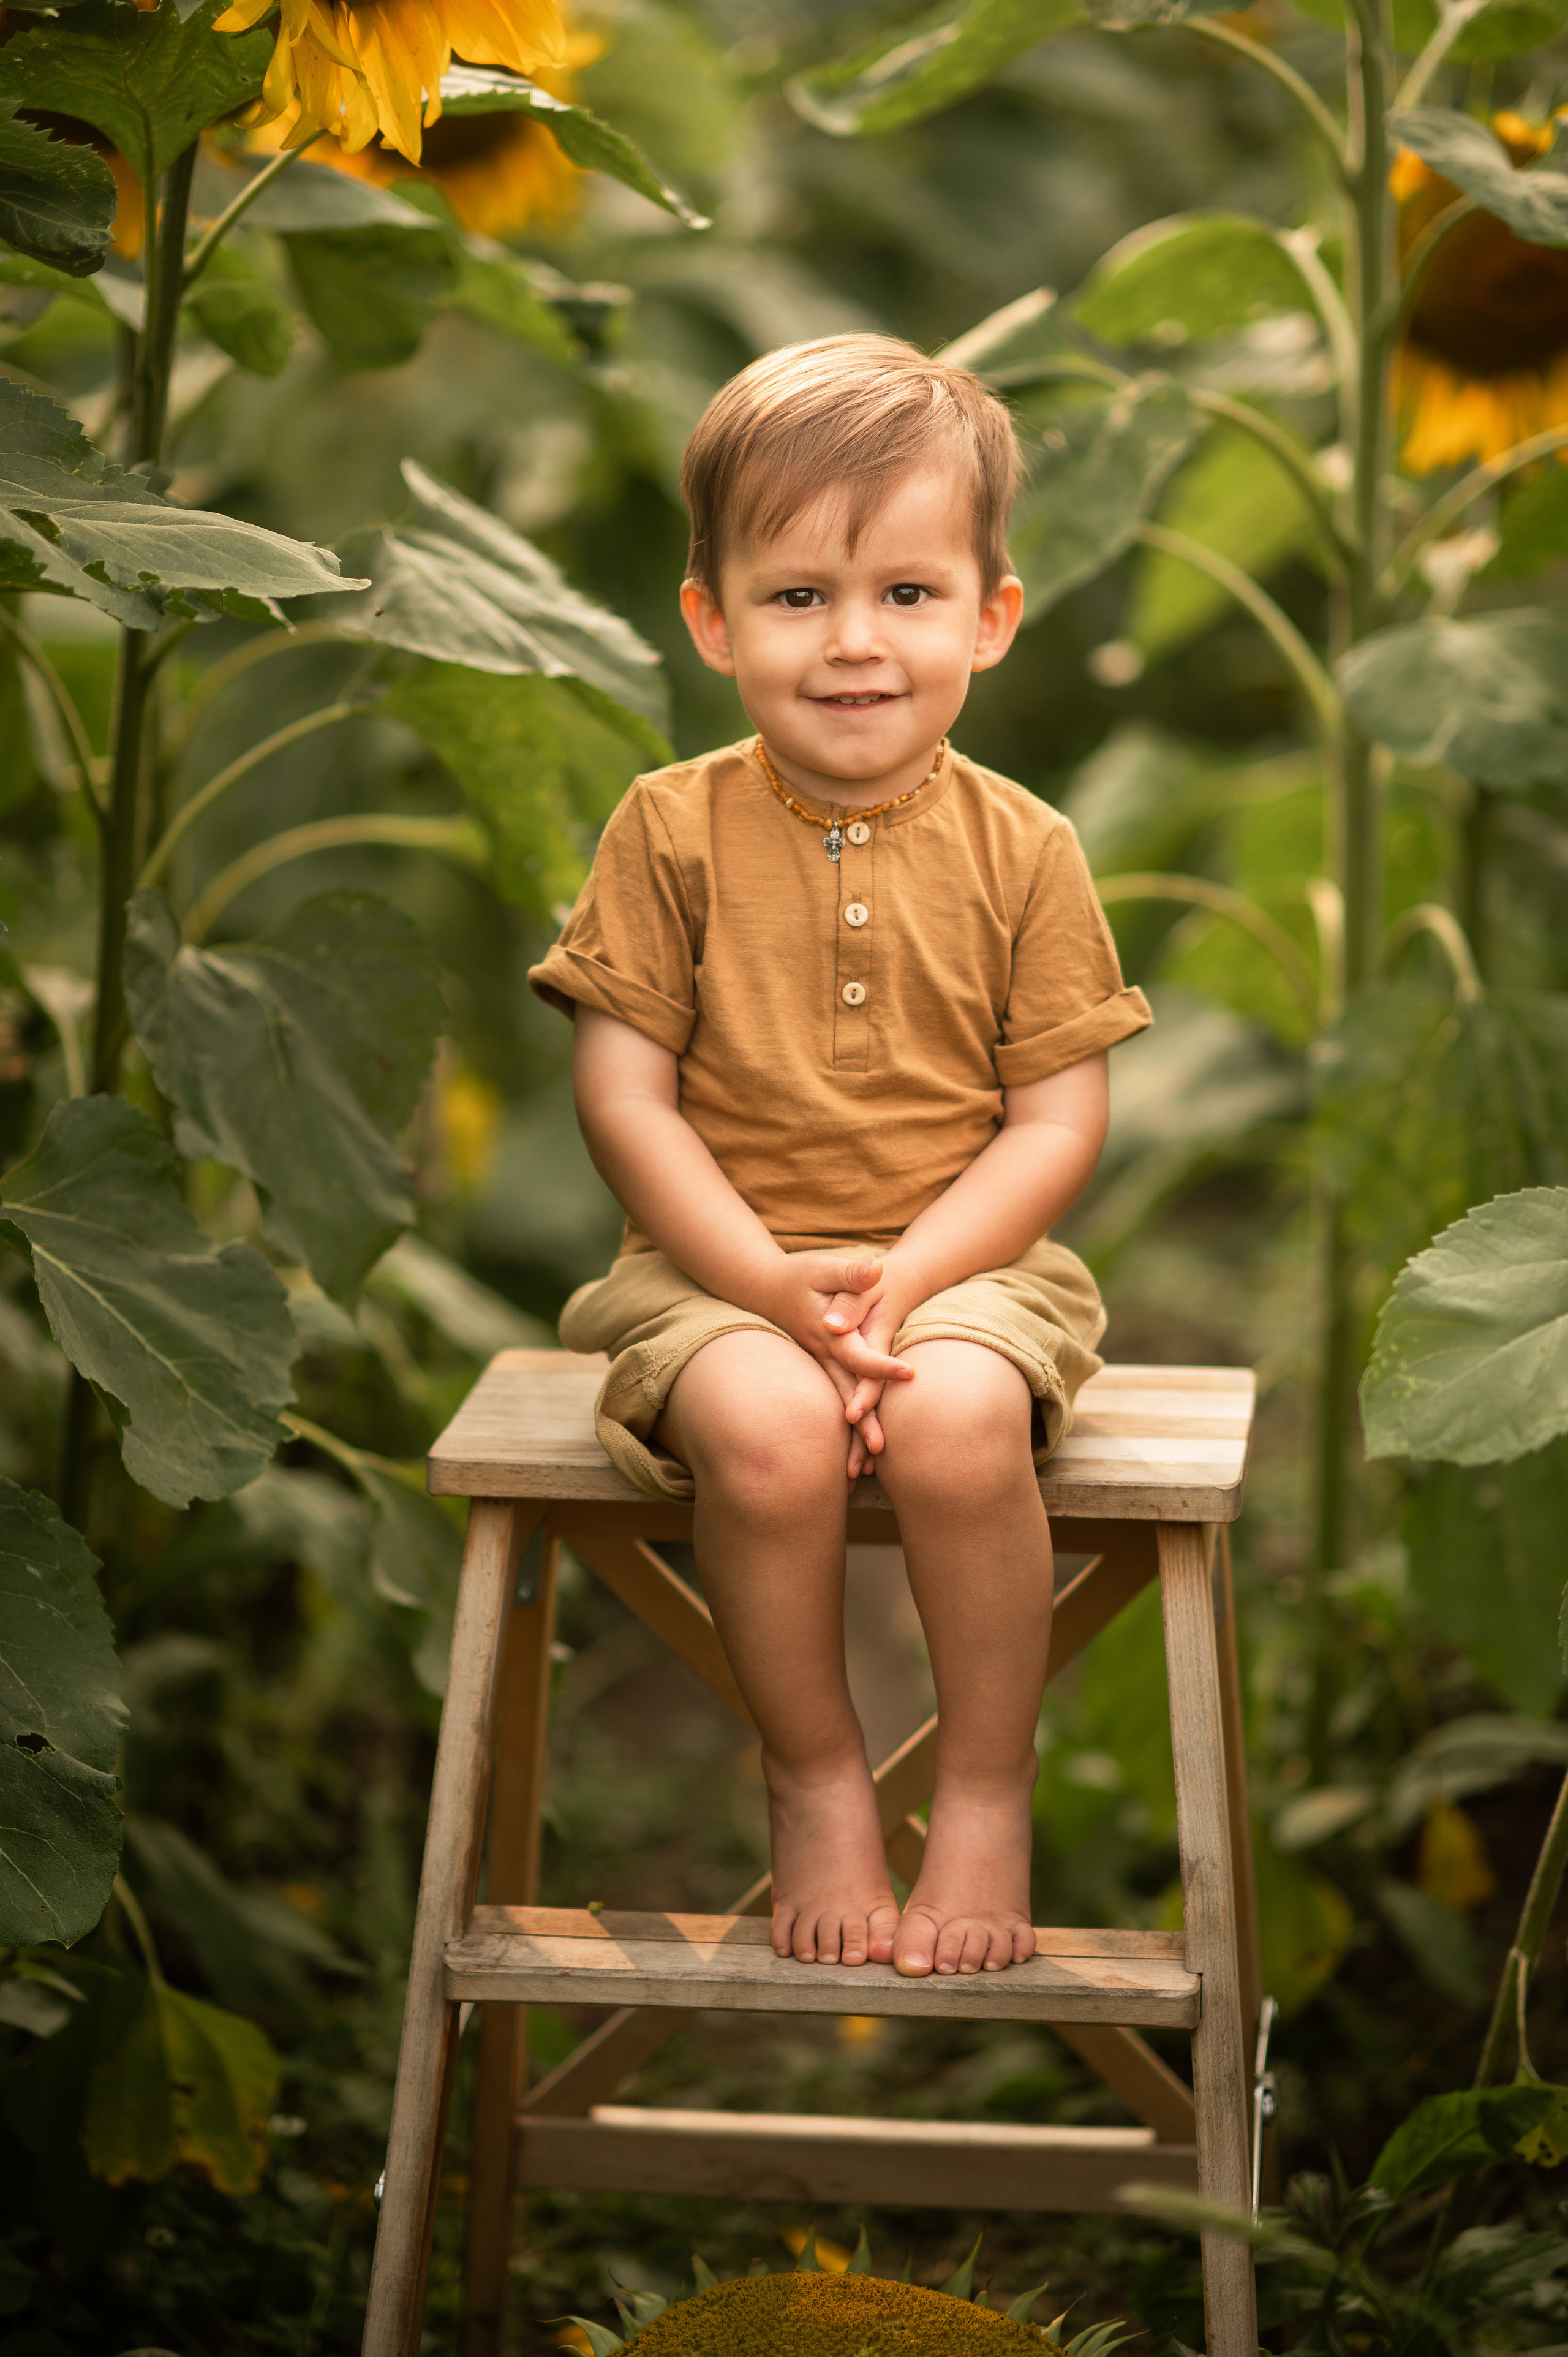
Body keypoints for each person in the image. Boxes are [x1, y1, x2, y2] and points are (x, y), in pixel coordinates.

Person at [528, 334, 1152, 1983]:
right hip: (714, 1271)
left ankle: (983, 1786)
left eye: (908, 594)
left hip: (967, 1268)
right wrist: (763, 1282)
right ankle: (813, 1777)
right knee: (766, 1428)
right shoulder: (668, 830)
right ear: (714, 619)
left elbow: (1057, 1122)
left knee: (954, 1423)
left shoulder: (1029, 848)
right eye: (799, 597)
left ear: (991, 618)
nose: (856, 642)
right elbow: (626, 1104)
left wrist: (913, 1276)